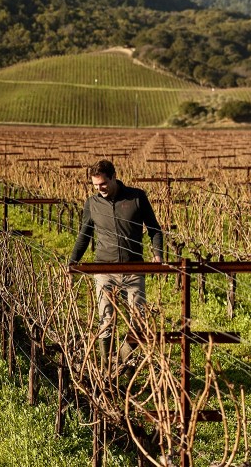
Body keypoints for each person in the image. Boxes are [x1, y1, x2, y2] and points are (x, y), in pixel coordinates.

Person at [69, 159, 163, 376]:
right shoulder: (92, 204)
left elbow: (154, 229)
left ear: (113, 177)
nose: (99, 189)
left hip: (134, 269)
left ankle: (121, 359)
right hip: (104, 269)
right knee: (106, 320)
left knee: (139, 321)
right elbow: (84, 235)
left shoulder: (136, 197)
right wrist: (73, 262)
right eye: (95, 186)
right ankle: (108, 368)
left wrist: (157, 255)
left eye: (102, 184)